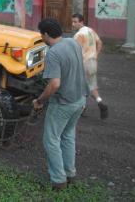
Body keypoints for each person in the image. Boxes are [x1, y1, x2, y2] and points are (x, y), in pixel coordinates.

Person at [33, 18, 89, 191]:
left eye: (41, 33)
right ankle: (70, 174)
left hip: (63, 103)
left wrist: (40, 100)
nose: (41, 36)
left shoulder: (53, 53)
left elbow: (54, 84)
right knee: (68, 136)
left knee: (51, 139)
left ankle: (58, 180)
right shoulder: (73, 43)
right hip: (80, 99)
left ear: (46, 34)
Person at [71, 13, 108, 119]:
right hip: (92, 62)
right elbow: (99, 43)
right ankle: (100, 103)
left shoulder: (78, 35)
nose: (73, 24)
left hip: (83, 63)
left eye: (75, 22)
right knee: (91, 85)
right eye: (72, 22)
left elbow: (74, 51)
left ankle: (81, 107)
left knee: (79, 86)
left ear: (81, 22)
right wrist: (96, 55)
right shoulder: (90, 30)